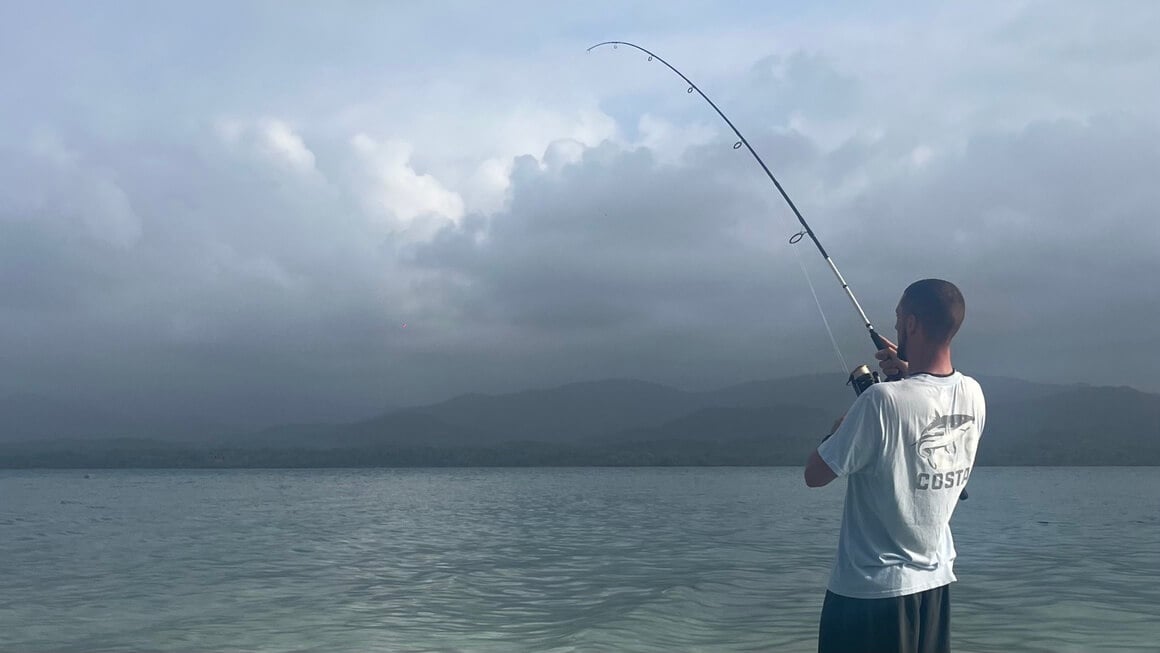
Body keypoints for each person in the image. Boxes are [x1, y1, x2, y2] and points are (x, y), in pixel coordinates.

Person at [803, 279, 986, 653]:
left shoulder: (879, 401)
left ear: (912, 324)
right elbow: (929, 393)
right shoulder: (973, 393)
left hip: (869, 596)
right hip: (934, 588)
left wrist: (838, 429)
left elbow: (815, 475)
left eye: (899, 317)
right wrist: (909, 370)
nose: (897, 325)